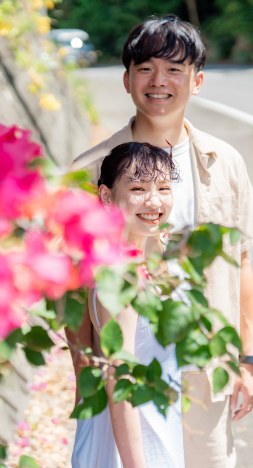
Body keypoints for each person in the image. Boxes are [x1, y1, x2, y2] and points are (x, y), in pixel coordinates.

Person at [67, 15, 253, 467]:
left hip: (206, 371)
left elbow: (241, 262)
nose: (159, 81)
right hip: (130, 374)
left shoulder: (226, 163)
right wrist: (86, 374)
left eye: (175, 69)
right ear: (126, 79)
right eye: (145, 68)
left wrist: (249, 358)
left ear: (197, 82)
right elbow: (73, 283)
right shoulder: (91, 171)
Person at [71, 141, 184, 468]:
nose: (154, 200)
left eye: (164, 187)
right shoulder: (119, 275)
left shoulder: (138, 261)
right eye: (138, 187)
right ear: (106, 196)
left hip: (153, 429)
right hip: (130, 446)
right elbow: (119, 379)